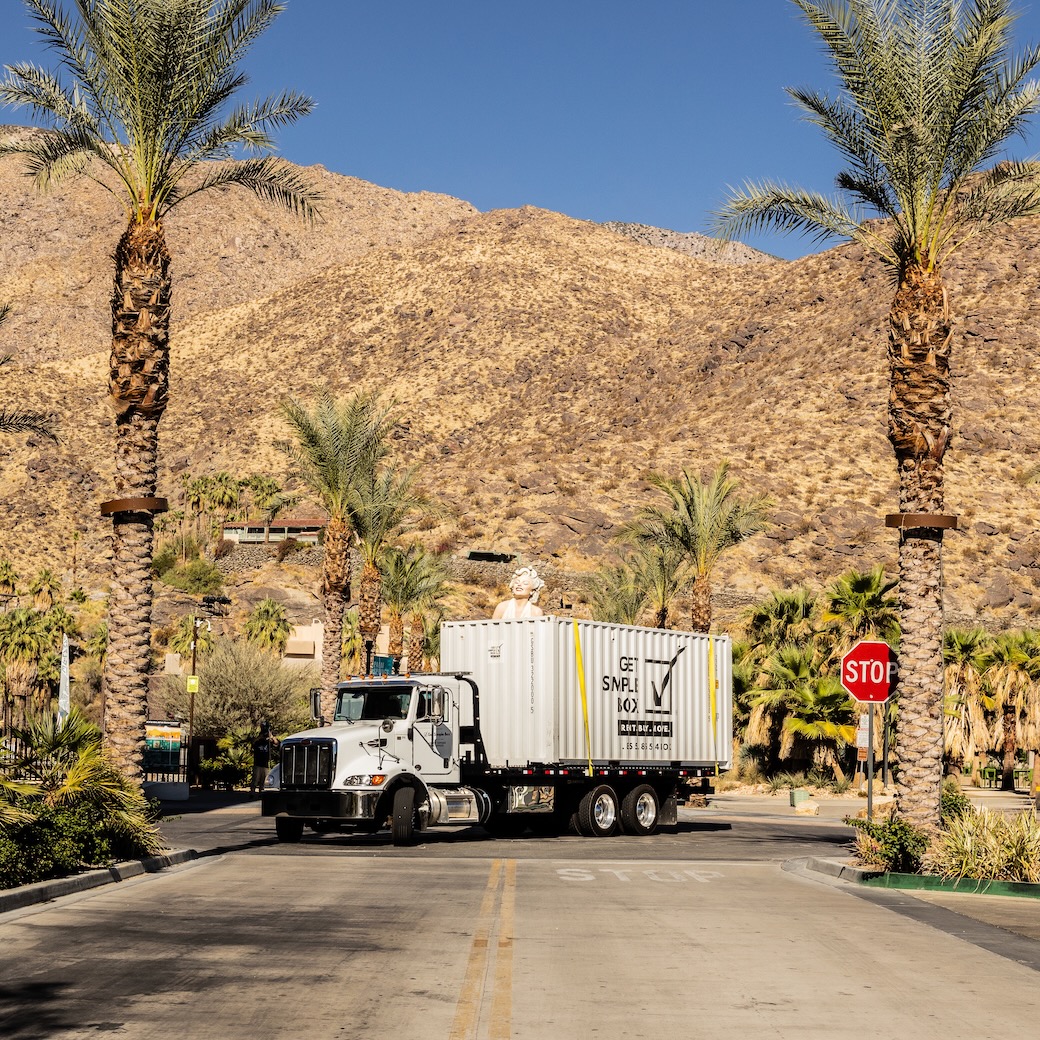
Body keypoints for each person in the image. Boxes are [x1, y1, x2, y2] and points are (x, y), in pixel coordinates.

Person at [251, 723, 273, 795]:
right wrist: (260, 737)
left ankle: (261, 792)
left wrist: (271, 736)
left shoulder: (268, 742)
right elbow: (253, 742)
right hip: (257, 763)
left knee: (264, 780)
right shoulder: (257, 741)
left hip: (265, 763)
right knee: (255, 779)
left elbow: (276, 743)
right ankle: (252, 792)